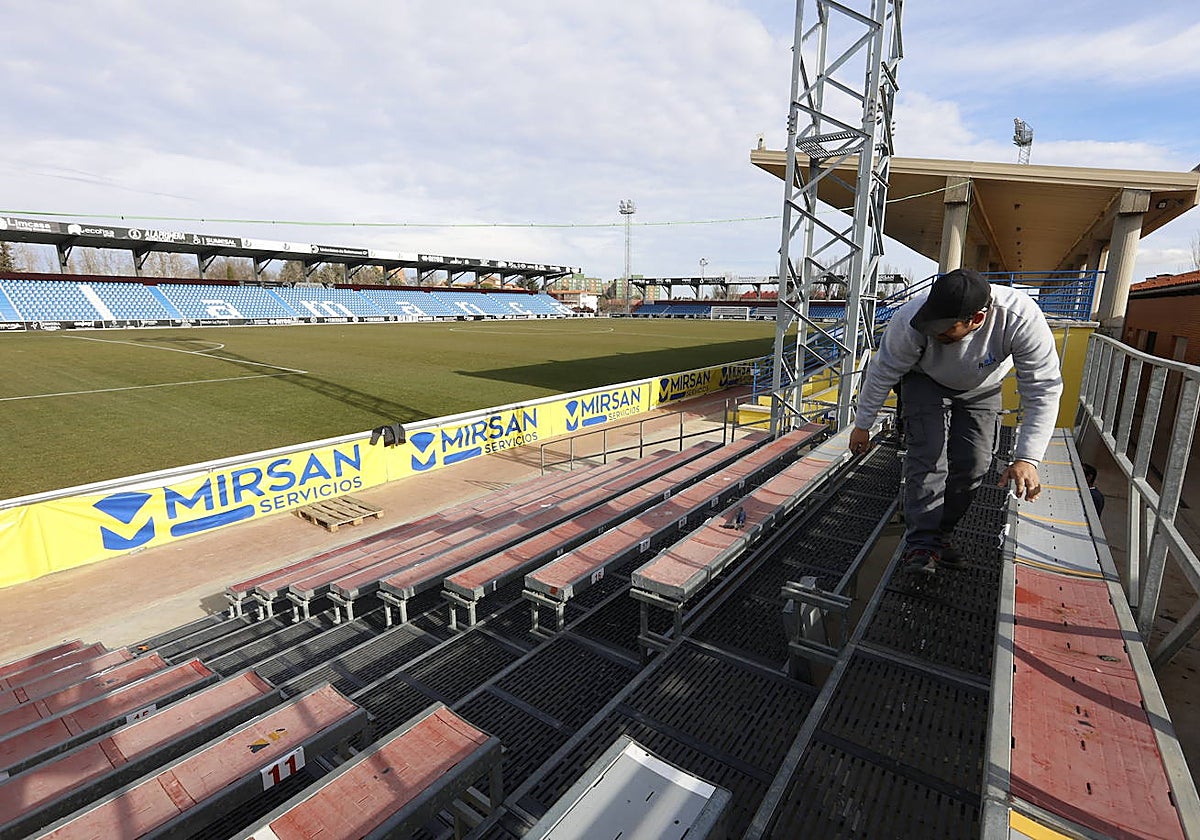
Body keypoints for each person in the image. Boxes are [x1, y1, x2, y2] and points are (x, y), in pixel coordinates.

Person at [848, 268, 1063, 573]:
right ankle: (921, 544)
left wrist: (1028, 458)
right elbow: (882, 372)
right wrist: (863, 424)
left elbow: (1043, 389)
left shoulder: (1020, 318)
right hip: (924, 381)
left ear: (977, 319)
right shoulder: (910, 319)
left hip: (982, 386)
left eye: (945, 330)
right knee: (929, 457)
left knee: (975, 463)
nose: (935, 334)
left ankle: (941, 534)